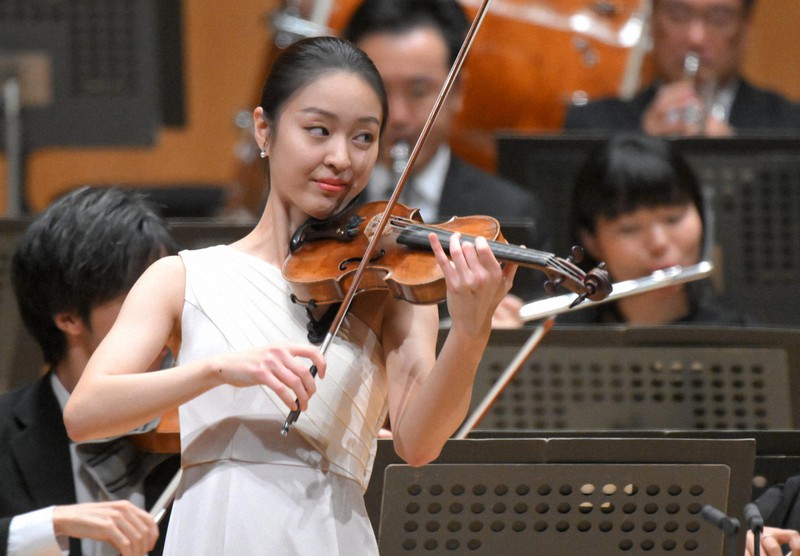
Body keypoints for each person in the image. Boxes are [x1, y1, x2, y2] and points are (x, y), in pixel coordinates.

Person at [63, 36, 515, 554]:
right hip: (213, 531)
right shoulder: (182, 277)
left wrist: (472, 332)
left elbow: (418, 444)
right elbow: (85, 413)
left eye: (364, 138)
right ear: (265, 129)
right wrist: (219, 370)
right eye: (318, 131)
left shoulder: (391, 288)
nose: (341, 158)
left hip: (328, 535)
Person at [0, 187, 180, 556]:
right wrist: (53, 524)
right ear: (67, 316)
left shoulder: (198, 427)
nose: (162, 312)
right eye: (138, 296)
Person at [342, 0, 550, 313]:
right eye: (379, 91)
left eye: (418, 91)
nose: (397, 116)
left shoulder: (510, 211)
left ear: (457, 92)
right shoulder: (321, 204)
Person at [557, 132, 751, 325]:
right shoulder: (554, 342)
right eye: (630, 229)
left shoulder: (750, 344)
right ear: (591, 241)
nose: (659, 243)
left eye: (673, 219)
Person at [564, 0, 800, 137]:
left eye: (719, 19)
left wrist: (735, 155)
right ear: (653, 23)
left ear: (745, 32)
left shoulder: (789, 125)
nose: (695, 37)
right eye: (678, 15)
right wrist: (640, 145)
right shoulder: (593, 125)